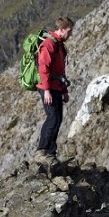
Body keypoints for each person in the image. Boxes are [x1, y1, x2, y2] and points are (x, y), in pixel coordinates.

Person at [35, 16, 74, 162]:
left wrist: (64, 91)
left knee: (58, 118)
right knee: (53, 117)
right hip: (47, 87)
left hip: (56, 86)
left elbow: (60, 70)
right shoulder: (50, 44)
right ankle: (42, 151)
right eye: (69, 31)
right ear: (62, 29)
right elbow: (43, 67)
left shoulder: (59, 44)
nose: (70, 34)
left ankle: (50, 151)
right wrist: (46, 90)